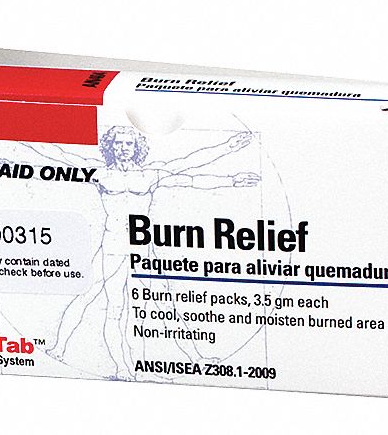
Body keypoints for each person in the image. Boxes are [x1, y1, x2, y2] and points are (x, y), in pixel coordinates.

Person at [18, 125, 259, 380]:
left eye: (128, 144)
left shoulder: (149, 175)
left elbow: (189, 172)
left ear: (137, 148)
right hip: (113, 246)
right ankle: (105, 363)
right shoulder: (100, 174)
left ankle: (196, 359)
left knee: (163, 303)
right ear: (110, 146)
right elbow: (59, 162)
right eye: (118, 143)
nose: (123, 148)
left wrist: (230, 166)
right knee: (111, 307)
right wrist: (18, 144)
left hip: (141, 247)